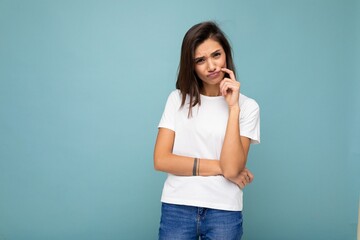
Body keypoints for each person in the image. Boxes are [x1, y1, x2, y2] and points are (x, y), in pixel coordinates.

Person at [154, 21, 260, 240]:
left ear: (226, 54)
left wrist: (233, 108)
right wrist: (219, 166)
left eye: (216, 55)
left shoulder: (247, 107)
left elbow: (232, 171)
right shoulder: (177, 100)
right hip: (178, 207)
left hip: (224, 210)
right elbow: (161, 160)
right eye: (200, 60)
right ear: (190, 65)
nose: (211, 66)